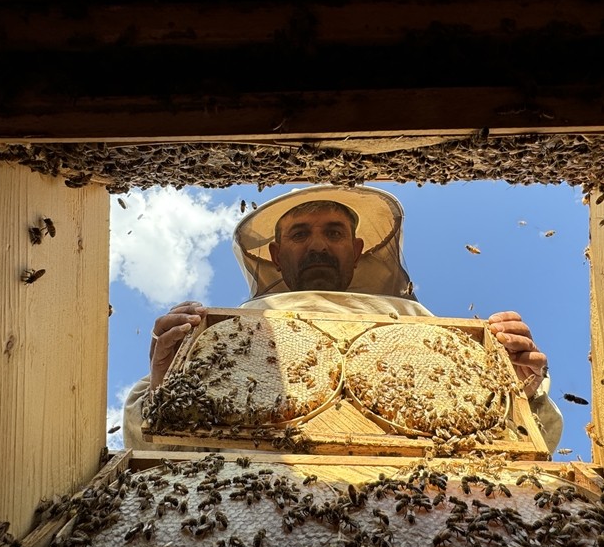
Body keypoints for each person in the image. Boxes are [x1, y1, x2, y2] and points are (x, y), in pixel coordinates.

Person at [123, 185, 563, 448]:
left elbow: (531, 445)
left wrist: (521, 393)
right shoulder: (227, 330)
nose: (317, 245)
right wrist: (164, 383)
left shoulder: (414, 317)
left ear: (355, 251)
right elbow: (144, 445)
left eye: (333, 233)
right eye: (300, 234)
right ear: (276, 255)